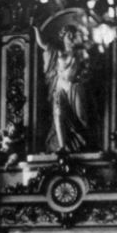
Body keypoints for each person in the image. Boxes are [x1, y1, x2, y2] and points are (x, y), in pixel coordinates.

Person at [34, 23, 93, 153]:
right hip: (60, 86)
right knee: (58, 112)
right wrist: (36, 28)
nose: (71, 38)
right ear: (63, 37)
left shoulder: (80, 53)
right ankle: (62, 146)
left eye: (73, 36)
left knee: (81, 117)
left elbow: (88, 69)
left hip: (74, 88)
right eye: (68, 36)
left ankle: (83, 141)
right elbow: (43, 44)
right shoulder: (58, 52)